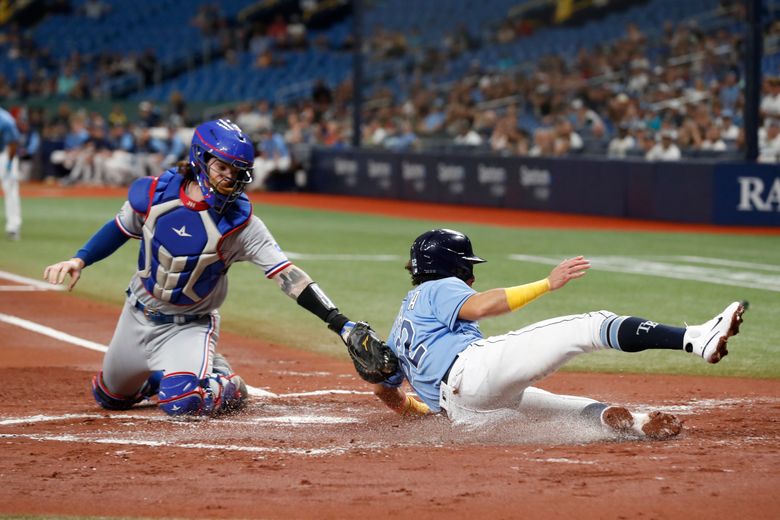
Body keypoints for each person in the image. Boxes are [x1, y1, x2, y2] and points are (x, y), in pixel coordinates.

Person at [43, 119, 376, 417]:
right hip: (137, 313)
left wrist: (339, 323)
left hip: (190, 325)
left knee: (182, 403)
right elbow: (119, 228)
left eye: (237, 172)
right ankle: (157, 378)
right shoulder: (155, 193)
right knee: (108, 397)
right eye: (223, 168)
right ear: (200, 159)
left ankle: (223, 381)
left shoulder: (242, 225)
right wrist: (79, 259)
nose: (230, 178)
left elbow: (288, 276)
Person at [372, 229, 746, 440]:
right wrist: (546, 284)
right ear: (450, 266)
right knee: (588, 325)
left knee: (556, 408)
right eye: (466, 265)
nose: (470, 274)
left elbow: (383, 390)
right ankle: (695, 338)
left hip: (463, 413)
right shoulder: (437, 288)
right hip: (472, 372)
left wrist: (412, 408)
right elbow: (482, 306)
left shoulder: (401, 323)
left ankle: (633, 423)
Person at [0, 106, 22, 241]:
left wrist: (8, 164)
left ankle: (13, 227)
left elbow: (13, 143)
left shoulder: (5, 119)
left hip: (5, 154)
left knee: (11, 190)